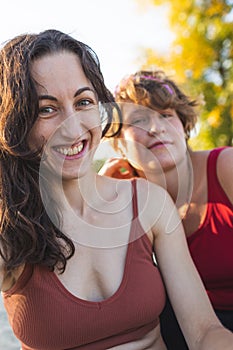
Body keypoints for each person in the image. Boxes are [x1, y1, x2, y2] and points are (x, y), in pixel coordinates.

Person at [0, 31, 233, 350]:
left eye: (83, 102)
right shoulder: (9, 228)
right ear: (15, 121)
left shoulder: (149, 202)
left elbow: (205, 332)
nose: (73, 126)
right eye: (46, 109)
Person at [99, 70, 233, 348]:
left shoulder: (226, 168)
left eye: (165, 115)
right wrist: (101, 191)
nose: (156, 128)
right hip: (186, 328)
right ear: (119, 145)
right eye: (138, 120)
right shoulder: (126, 198)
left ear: (184, 126)